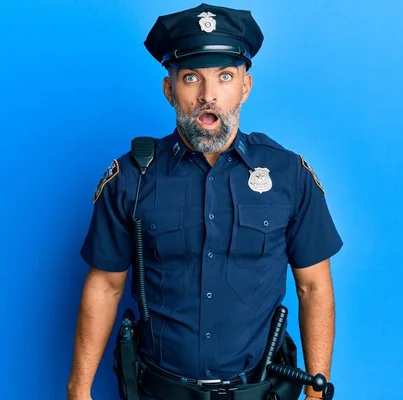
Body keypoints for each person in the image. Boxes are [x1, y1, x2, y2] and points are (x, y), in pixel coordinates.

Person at [67, 3, 343, 400]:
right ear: (169, 89)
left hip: (259, 391)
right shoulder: (130, 177)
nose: (208, 96)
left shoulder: (288, 174)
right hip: (160, 392)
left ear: (245, 87)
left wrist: (317, 396)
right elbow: (106, 285)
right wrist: (78, 389)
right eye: (192, 78)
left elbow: (314, 287)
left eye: (225, 77)